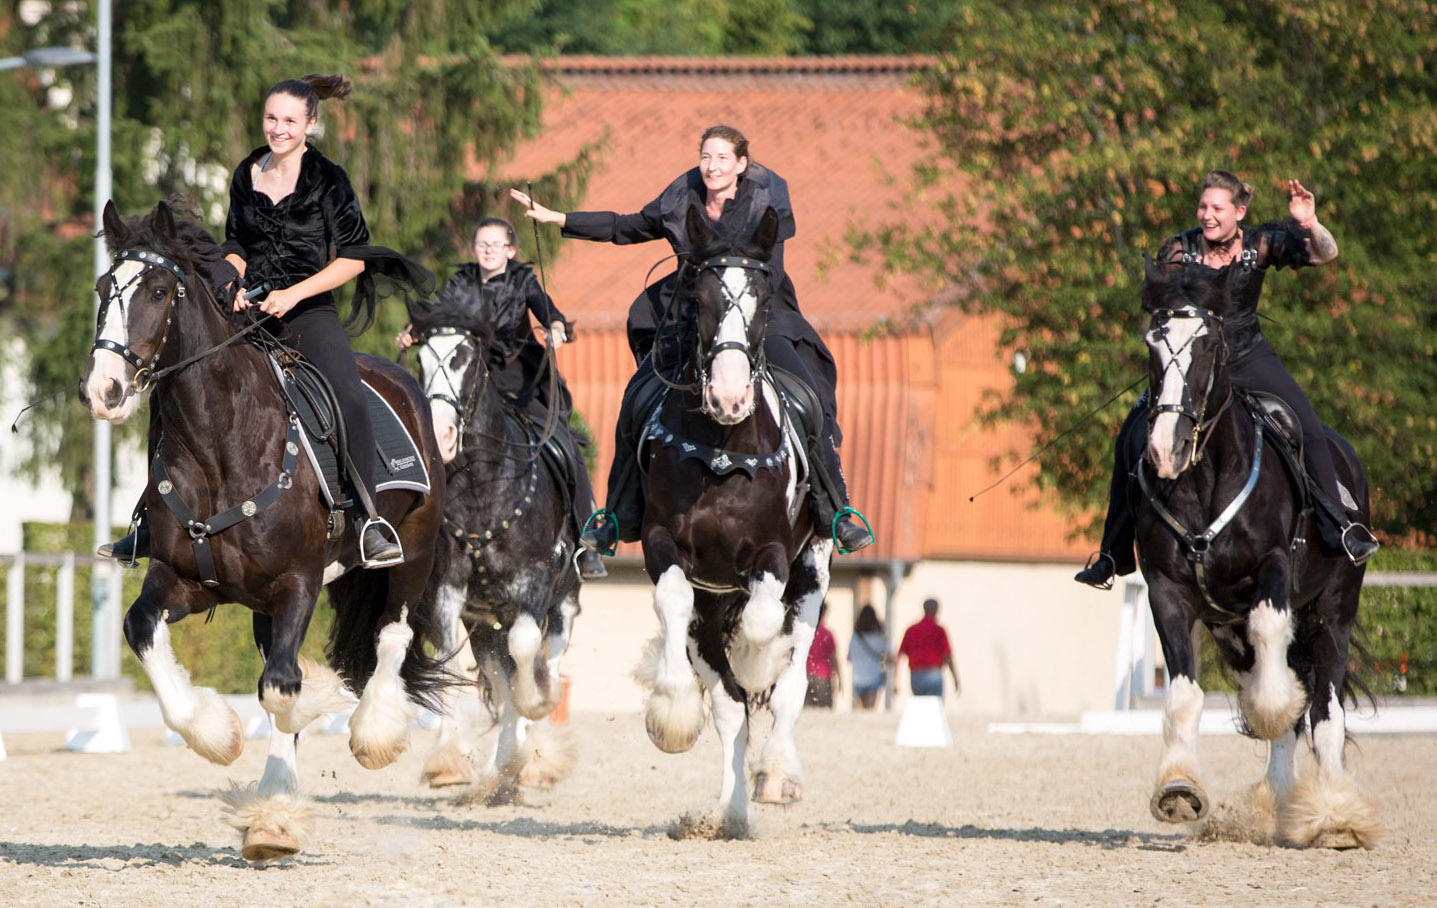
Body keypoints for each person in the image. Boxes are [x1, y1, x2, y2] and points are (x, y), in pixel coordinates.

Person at [102, 74, 433, 569]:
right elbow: (235, 246)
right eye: (271, 118)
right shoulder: (245, 172)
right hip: (250, 312)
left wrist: (292, 294)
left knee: (347, 392)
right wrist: (232, 285)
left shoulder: (330, 179)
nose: (278, 129)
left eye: (289, 121)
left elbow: (353, 261)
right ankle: (149, 521)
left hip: (308, 312)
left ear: (310, 124)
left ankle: (369, 521)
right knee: (176, 382)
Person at [509, 124, 874, 557]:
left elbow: (771, 269)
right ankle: (616, 514)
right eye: (706, 156)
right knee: (636, 397)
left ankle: (837, 512)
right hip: (694, 313)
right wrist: (560, 219)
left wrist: (739, 311)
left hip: (760, 313)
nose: (712, 166)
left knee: (808, 397)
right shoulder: (682, 195)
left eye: (722, 158)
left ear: (741, 164)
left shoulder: (767, 195)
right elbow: (627, 227)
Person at [1075, 171, 1380, 589]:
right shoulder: (1179, 249)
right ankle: (1112, 552)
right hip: (1194, 364)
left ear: (1239, 211)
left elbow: (1325, 254)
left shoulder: (1261, 243)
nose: (1207, 215)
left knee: (1306, 423)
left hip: (1248, 355)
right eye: (1203, 207)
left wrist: (1309, 223)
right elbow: (1161, 305)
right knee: (1130, 433)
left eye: (1217, 208)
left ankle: (1340, 527)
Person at [398, 216, 606, 579]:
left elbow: (547, 309)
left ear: (511, 250)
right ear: (474, 249)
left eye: (497, 245)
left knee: (563, 444)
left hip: (519, 385)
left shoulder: (523, 281)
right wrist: (413, 331)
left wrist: (556, 327)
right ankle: (410, 528)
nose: (489, 251)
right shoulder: (461, 281)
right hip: (470, 388)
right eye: (482, 244)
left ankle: (587, 535)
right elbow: (437, 313)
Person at [897, 598, 961, 699]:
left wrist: (895, 680)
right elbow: (947, 656)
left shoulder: (911, 630)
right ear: (936, 610)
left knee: (921, 707)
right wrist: (955, 678)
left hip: (916, 674)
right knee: (934, 708)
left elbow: (901, 654)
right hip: (933, 673)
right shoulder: (939, 630)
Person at [847, 603, 891, 710]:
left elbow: (848, 658)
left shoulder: (855, 637)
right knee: (870, 709)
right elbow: (888, 656)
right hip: (873, 676)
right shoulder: (878, 637)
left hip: (858, 677)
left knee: (863, 708)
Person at [804, 602, 841, 709]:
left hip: (806, 675)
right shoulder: (827, 633)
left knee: (806, 709)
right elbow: (833, 658)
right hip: (823, 676)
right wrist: (840, 678)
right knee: (825, 709)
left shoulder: (806, 632)